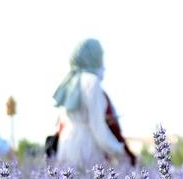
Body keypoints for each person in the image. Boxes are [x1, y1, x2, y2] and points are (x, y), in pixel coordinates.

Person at [49, 38, 134, 169]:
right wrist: (119, 151)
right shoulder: (91, 82)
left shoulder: (70, 80)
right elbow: (98, 128)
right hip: (86, 146)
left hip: (66, 146)